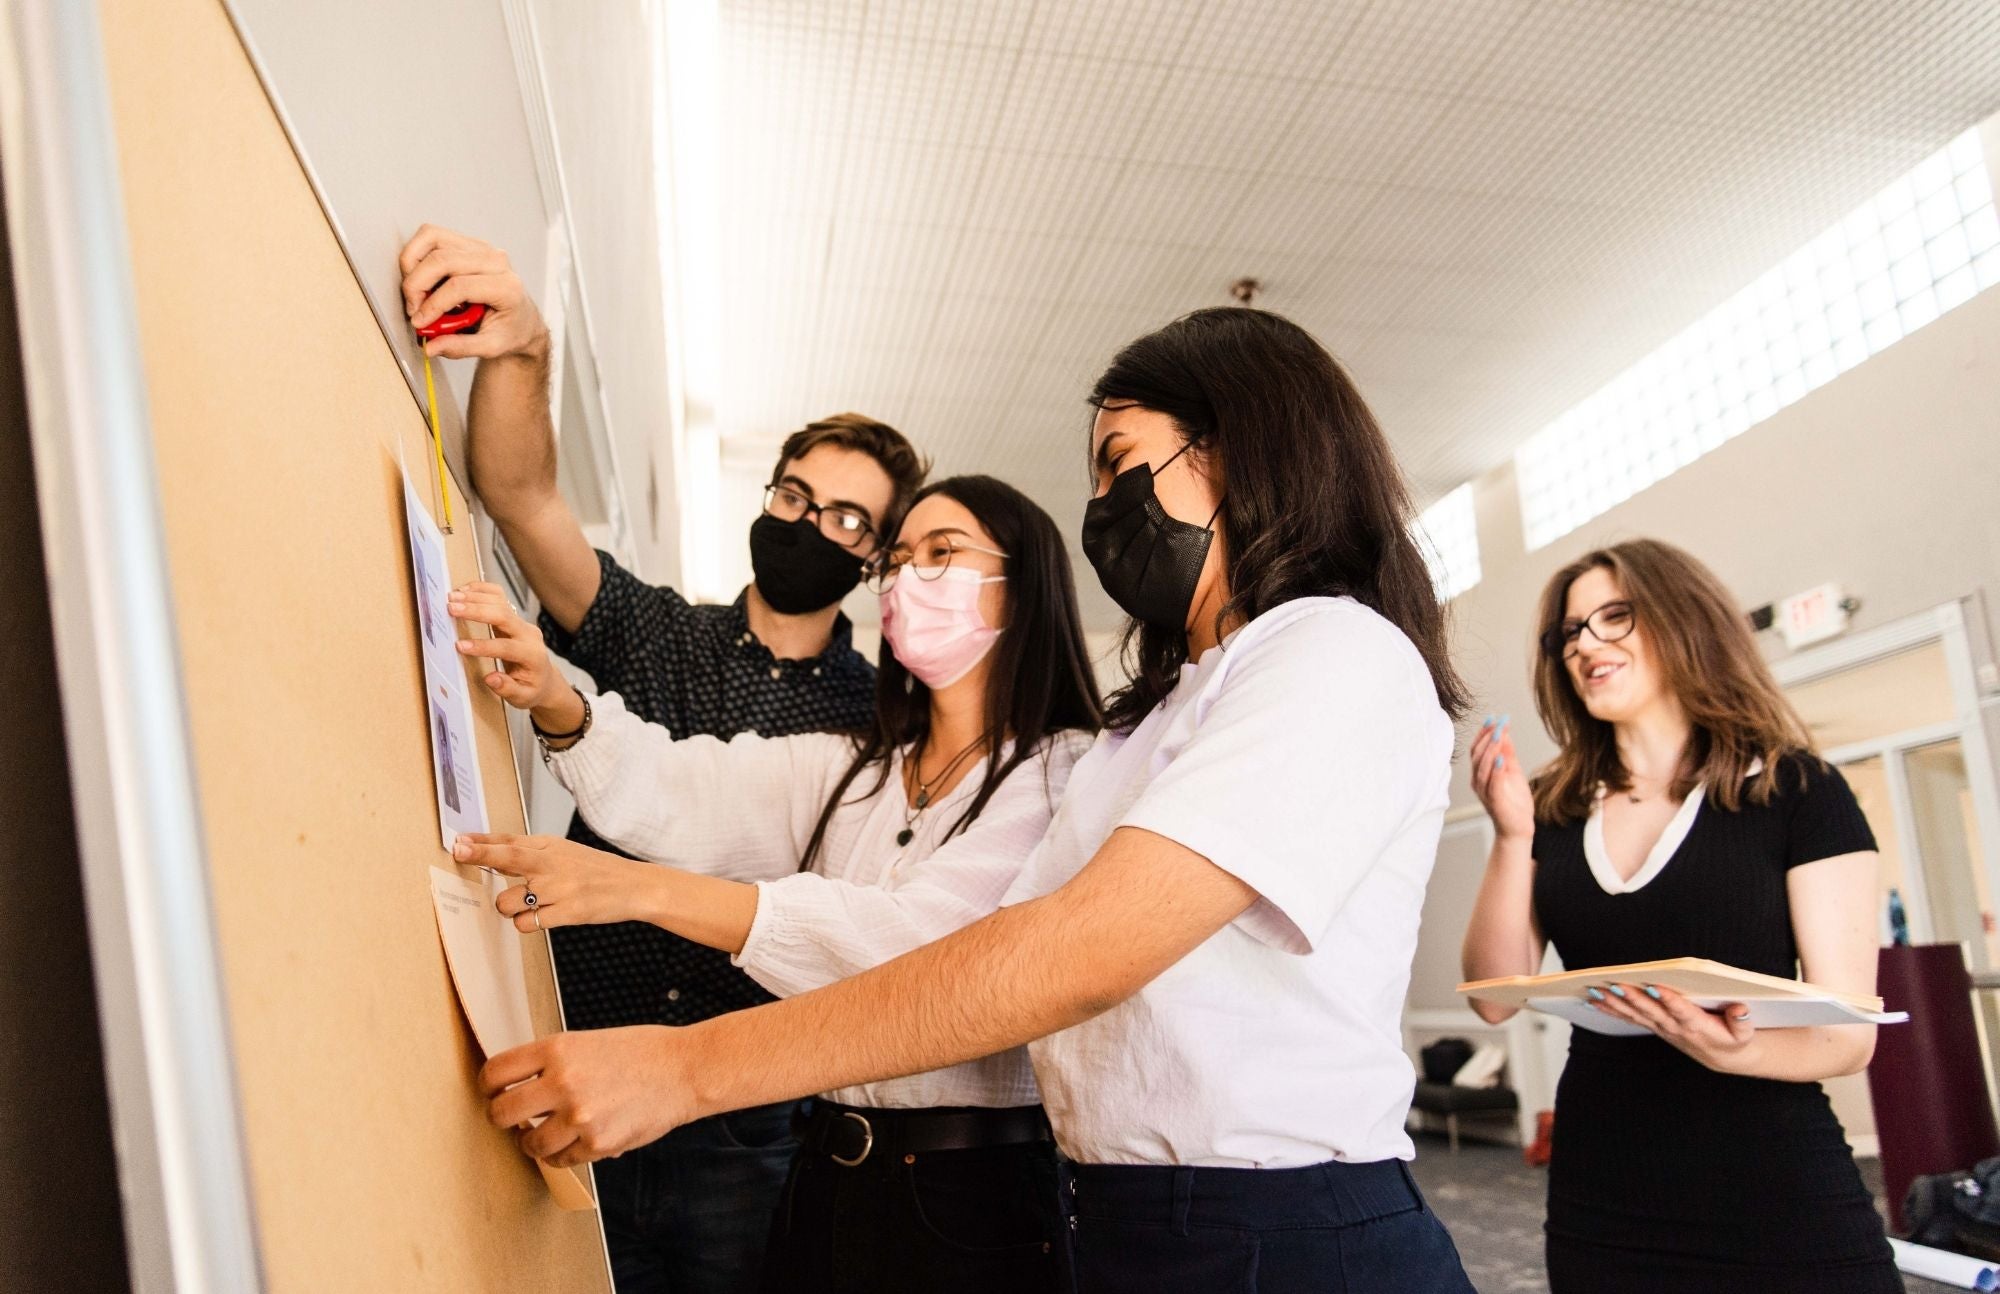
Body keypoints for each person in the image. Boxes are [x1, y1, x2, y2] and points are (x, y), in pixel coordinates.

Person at [473, 307, 1479, 1294]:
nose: (1101, 506)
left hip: (1273, 1223)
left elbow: (1059, 953)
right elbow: (978, 944)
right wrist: (567, 711)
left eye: (1117, 460)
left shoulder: (1331, 653)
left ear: (1230, 451)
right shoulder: (1153, 722)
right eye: (898, 559)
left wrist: (686, 1065)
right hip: (1115, 1209)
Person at [398, 225, 927, 1293]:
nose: (805, 522)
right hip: (564, 1046)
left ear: (874, 558)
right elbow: (522, 495)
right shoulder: (652, 634)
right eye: (791, 493)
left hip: (738, 1123)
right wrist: (522, 349)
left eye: (843, 517)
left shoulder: (881, 729)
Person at [450, 475, 1101, 1292]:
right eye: (898, 561)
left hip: (971, 1198)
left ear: (1025, 589)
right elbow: (683, 789)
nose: (907, 580)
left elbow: (918, 947)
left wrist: (639, 890)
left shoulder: (1065, 772)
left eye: (943, 554)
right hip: (825, 1169)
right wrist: (555, 697)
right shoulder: (855, 768)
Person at [1460, 539, 1898, 1293]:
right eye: (1570, 632)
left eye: (1614, 617)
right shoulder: (1552, 808)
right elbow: (1496, 996)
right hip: (1603, 1191)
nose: (1585, 644)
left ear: (1682, 622)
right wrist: (1511, 835)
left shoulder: (1797, 790)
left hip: (1773, 1185)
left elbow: (1848, 1035)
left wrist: (1735, 1053)